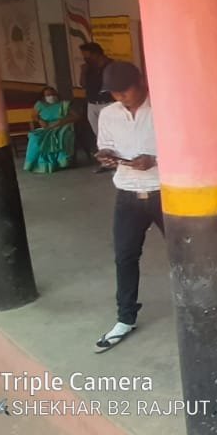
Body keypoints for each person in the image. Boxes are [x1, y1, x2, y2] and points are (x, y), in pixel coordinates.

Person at [92, 64, 161, 353]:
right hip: (127, 193)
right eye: (114, 92)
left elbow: (186, 148)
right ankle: (125, 318)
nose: (120, 96)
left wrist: (154, 160)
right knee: (125, 256)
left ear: (141, 82)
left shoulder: (163, 108)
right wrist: (106, 156)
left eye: (125, 90)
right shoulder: (109, 114)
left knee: (186, 254)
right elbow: (105, 146)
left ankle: (200, 309)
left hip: (164, 192)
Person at [23, 86, 77, 174]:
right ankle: (36, 164)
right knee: (35, 137)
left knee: (62, 135)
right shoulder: (39, 105)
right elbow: (34, 116)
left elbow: (76, 116)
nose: (51, 96)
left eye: (53, 94)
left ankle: (62, 162)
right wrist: (40, 120)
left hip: (62, 126)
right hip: (46, 127)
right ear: (43, 97)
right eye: (48, 95)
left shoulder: (64, 104)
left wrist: (61, 121)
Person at [79, 42, 115, 172]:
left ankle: (117, 160)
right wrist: (83, 72)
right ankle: (106, 163)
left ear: (96, 54)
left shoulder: (111, 66)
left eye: (87, 55)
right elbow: (82, 84)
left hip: (108, 103)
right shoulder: (88, 68)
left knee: (113, 133)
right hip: (92, 104)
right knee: (100, 135)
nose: (85, 58)